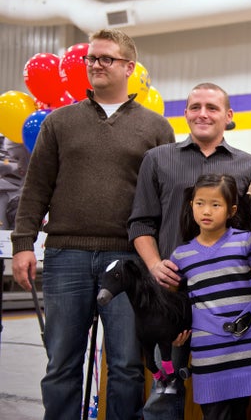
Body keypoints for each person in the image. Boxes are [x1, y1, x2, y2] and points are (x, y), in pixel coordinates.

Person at [11, 28, 176, 420]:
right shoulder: (59, 122)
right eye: (91, 59)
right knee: (61, 362)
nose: (96, 65)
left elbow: (164, 200)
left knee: (125, 365)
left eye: (106, 58)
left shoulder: (156, 128)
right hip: (65, 255)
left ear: (129, 67)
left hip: (128, 260)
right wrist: (22, 244)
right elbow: (36, 187)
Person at [128, 82, 251, 419]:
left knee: (225, 396)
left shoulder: (248, 166)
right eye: (195, 106)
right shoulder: (157, 160)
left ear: (229, 116)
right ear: (184, 113)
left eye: (212, 107)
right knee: (164, 387)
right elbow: (140, 223)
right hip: (169, 297)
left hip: (224, 302)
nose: (203, 113)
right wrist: (155, 265)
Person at [171, 173, 251, 420]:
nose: (206, 211)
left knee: (240, 413)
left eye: (216, 204)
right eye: (200, 203)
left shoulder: (246, 242)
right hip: (207, 350)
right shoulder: (181, 255)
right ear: (191, 205)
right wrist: (174, 332)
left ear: (231, 210)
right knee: (214, 414)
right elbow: (173, 305)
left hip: (246, 344)